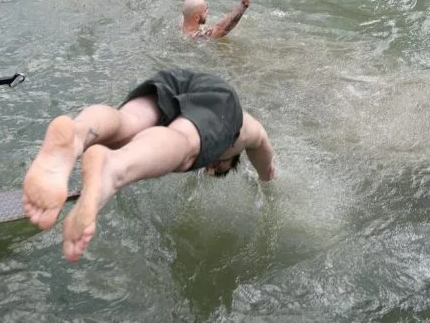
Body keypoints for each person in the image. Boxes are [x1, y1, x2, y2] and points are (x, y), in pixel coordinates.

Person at [22, 69, 276, 262]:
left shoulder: (215, 115)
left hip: (177, 79)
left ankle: (77, 135)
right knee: (185, 147)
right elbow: (265, 151)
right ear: (228, 160)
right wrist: (267, 180)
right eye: (218, 167)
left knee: (127, 126)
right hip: (221, 100)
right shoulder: (242, 133)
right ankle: (113, 167)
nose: (210, 166)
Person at [181, 0, 250, 38]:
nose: (207, 12)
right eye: (205, 11)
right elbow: (221, 29)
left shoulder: (182, 23)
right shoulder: (197, 37)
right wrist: (244, 4)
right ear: (196, 17)